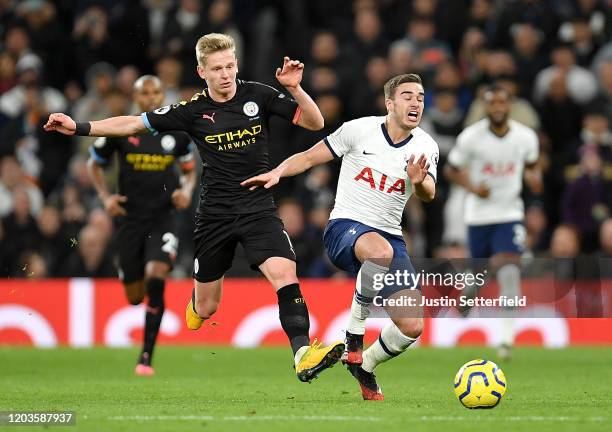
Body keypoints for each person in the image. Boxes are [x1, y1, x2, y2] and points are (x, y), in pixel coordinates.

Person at [45, 33, 343, 383]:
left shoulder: (258, 95)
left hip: (257, 207)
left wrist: (295, 88)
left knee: (285, 275)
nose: (226, 74)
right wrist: (79, 127)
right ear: (202, 72)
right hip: (215, 214)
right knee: (206, 308)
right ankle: (198, 301)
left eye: (230, 66)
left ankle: (302, 355)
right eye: (217, 69)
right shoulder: (191, 111)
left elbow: (315, 122)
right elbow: (132, 123)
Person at [242, 73, 440, 400]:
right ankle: (354, 334)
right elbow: (308, 157)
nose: (415, 102)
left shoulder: (425, 146)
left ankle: (366, 365)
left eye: (420, 96)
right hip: (345, 229)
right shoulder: (358, 130)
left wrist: (417, 182)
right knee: (378, 250)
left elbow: (429, 193)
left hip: (390, 239)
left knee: (412, 327)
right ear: (389, 103)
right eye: (407, 96)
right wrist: (277, 171)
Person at [87, 75, 196, 375]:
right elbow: (93, 163)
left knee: (156, 277)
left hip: (163, 218)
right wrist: (105, 197)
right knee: (134, 296)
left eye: (156, 92)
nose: (151, 97)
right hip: (130, 220)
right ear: (136, 98)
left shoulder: (177, 132)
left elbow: (188, 170)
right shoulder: (122, 130)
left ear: (163, 95)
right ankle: (131, 276)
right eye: (144, 93)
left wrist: (186, 191)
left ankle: (145, 357)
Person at [445, 83, 542, 360]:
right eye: (492, 103)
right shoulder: (471, 138)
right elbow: (452, 170)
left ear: (509, 105)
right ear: (485, 106)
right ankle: (468, 292)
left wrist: (535, 181)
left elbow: (534, 167)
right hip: (478, 215)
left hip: (510, 213)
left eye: (502, 102)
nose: (498, 108)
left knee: (510, 269)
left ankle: (506, 340)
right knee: (481, 274)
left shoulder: (525, 137)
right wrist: (473, 187)